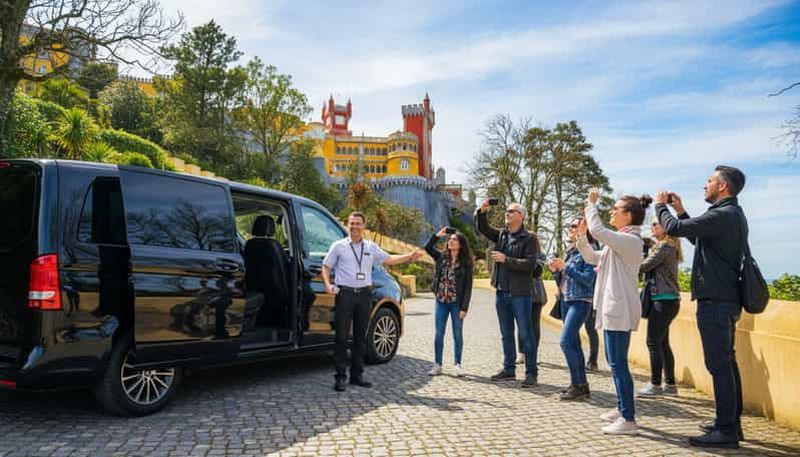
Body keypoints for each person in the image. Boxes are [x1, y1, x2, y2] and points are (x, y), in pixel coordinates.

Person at [656, 165, 748, 449]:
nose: (704, 185)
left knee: (718, 366)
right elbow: (695, 236)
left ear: (722, 186)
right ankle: (731, 424)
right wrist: (681, 210)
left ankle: (726, 431)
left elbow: (673, 229)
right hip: (723, 299)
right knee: (726, 364)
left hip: (717, 301)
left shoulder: (724, 214)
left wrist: (661, 207)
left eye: (709, 181)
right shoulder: (728, 214)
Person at [322, 212, 423, 392]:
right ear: (348, 225)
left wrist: (409, 256)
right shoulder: (338, 246)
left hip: (364, 295)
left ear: (363, 226)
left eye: (358, 223)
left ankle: (357, 376)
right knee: (341, 337)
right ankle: (340, 377)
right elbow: (326, 266)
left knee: (361, 337)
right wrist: (328, 284)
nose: (354, 226)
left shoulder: (370, 247)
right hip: (345, 294)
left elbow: (389, 259)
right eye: (351, 223)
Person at [577, 190, 651, 435]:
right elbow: (590, 256)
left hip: (619, 309)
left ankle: (629, 419)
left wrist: (591, 204)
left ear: (628, 215)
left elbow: (599, 231)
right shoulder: (620, 242)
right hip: (613, 310)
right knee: (614, 363)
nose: (611, 211)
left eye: (616, 208)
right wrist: (581, 238)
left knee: (619, 365)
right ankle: (622, 408)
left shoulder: (630, 241)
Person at [476, 200, 539, 387]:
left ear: (521, 216)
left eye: (512, 211)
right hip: (502, 292)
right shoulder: (502, 234)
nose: (507, 213)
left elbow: (530, 265)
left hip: (520, 294)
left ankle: (531, 373)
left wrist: (506, 259)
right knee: (506, 333)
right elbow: (484, 229)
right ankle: (509, 369)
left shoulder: (529, 238)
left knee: (526, 334)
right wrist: (482, 212)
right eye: (507, 210)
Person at [549, 217, 597, 401]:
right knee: (574, 343)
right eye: (569, 225)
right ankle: (579, 385)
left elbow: (588, 280)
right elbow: (563, 281)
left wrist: (566, 268)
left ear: (585, 230)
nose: (570, 228)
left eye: (574, 226)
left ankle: (578, 384)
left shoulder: (589, 253)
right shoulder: (570, 252)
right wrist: (556, 272)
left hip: (580, 301)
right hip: (566, 300)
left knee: (566, 341)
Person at [637, 221, 683, 397]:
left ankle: (656, 385)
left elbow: (643, 266)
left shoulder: (664, 247)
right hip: (668, 300)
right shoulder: (665, 246)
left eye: (657, 225)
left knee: (653, 342)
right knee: (663, 343)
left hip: (663, 300)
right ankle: (670, 385)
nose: (653, 227)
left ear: (666, 229)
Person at [424, 227, 474, 377]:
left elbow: (468, 287)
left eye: (454, 239)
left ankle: (458, 365)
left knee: (457, 335)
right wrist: (438, 234)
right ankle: (437, 365)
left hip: (456, 304)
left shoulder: (466, 264)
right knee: (439, 334)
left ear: (461, 244)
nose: (450, 241)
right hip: (441, 302)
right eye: (449, 239)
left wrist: (464, 308)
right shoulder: (441, 258)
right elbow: (427, 247)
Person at [516, 250, 546, 367]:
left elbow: (537, 271)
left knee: (534, 325)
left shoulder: (540, 255)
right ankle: (521, 353)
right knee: (521, 324)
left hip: (536, 294)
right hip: (521, 291)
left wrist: (522, 263)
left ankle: (534, 353)